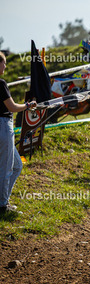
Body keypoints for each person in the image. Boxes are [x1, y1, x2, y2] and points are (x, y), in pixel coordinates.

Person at [0, 52, 36, 214]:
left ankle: (3, 200)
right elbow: (13, 107)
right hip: (3, 126)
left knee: (16, 165)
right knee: (6, 168)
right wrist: (28, 105)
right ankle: (2, 206)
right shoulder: (1, 83)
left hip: (3, 127)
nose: (5, 66)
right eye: (4, 63)